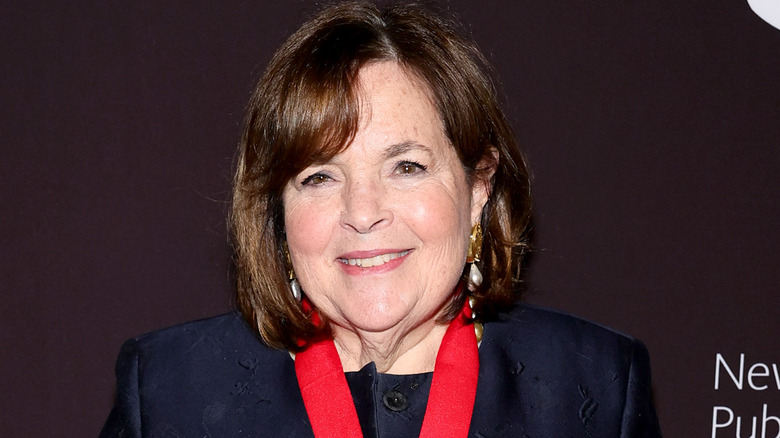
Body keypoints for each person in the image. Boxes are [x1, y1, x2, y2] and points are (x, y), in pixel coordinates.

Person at [101, 2, 661, 437]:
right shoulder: (170, 388)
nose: (363, 213)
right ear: (276, 207)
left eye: (407, 167)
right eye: (319, 176)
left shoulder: (593, 385)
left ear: (478, 189)